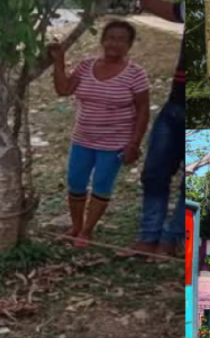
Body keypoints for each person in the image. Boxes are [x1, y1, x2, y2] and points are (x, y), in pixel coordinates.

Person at [49, 20, 150, 249]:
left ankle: (87, 230)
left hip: (114, 143)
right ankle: (75, 226)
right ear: (102, 40)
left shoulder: (135, 74)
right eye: (110, 37)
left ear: (129, 45)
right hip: (82, 138)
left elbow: (143, 110)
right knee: (75, 183)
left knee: (102, 187)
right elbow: (63, 90)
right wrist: (59, 62)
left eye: (121, 39)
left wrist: (134, 143)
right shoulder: (85, 66)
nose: (114, 43)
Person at [125, 0, 185, 258]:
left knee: (194, 183)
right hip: (175, 107)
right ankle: (149, 237)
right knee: (154, 173)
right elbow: (151, 2)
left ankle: (171, 239)